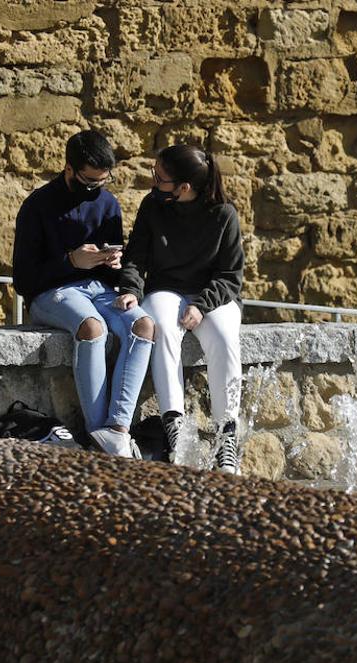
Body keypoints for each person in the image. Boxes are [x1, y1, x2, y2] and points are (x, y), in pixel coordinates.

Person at [12, 129, 154, 458]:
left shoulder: (108, 204)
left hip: (98, 289)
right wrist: (72, 261)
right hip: (52, 293)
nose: (95, 189)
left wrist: (113, 263)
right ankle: (97, 433)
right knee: (93, 328)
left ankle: (116, 430)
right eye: (89, 182)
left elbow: (113, 272)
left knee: (142, 325)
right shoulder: (37, 206)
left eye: (103, 181)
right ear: (69, 170)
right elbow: (24, 280)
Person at [116, 143, 245, 474]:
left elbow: (231, 276)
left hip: (213, 295)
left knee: (224, 336)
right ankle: (173, 423)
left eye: (160, 178)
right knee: (160, 325)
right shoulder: (152, 206)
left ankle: (226, 435)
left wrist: (202, 306)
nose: (153, 182)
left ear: (184, 187)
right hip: (166, 289)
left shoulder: (224, 214)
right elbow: (135, 257)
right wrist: (131, 289)